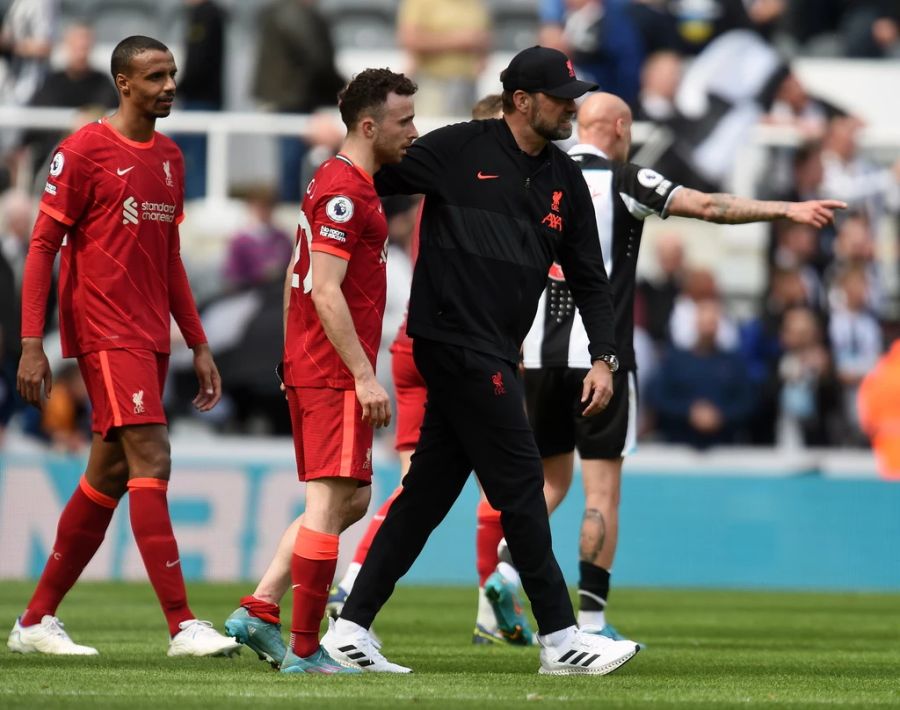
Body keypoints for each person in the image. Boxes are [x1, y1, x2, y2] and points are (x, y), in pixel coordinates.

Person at [322, 46, 639, 677]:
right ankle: (559, 638)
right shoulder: (457, 148)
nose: (572, 105)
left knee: (426, 496)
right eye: (561, 96)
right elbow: (361, 179)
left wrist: (604, 358)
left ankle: (349, 627)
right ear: (523, 101)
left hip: (497, 347)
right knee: (521, 485)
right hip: (450, 341)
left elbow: (589, 279)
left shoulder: (564, 178)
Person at [519, 91, 845, 639]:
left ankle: (506, 565)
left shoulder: (534, 174)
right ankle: (593, 620)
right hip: (602, 360)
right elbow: (711, 208)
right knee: (600, 492)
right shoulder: (626, 179)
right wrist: (783, 209)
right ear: (620, 127)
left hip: (535, 354)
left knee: (548, 481)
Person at [7, 36, 238, 658]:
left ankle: (34, 621)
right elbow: (40, 248)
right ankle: (183, 623)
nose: (168, 85)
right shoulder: (83, 149)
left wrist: (198, 342)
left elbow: (170, 260)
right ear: (123, 83)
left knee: (107, 475)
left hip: (149, 336)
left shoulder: (169, 156)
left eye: (172, 74)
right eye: (155, 76)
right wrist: (33, 344)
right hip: (105, 332)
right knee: (152, 457)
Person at [223, 68, 419, 675]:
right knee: (330, 499)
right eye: (404, 120)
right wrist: (362, 375)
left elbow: (295, 275)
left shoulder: (338, 183)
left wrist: (294, 352)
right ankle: (305, 650)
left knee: (350, 498)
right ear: (369, 125)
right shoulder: (347, 192)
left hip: (316, 362)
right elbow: (326, 291)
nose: (414, 131)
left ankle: (259, 608)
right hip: (334, 369)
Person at [326, 93, 535, 647]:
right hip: (461, 345)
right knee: (504, 480)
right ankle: (496, 604)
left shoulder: (439, 188)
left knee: (418, 484)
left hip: (416, 341)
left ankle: (352, 587)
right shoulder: (485, 192)